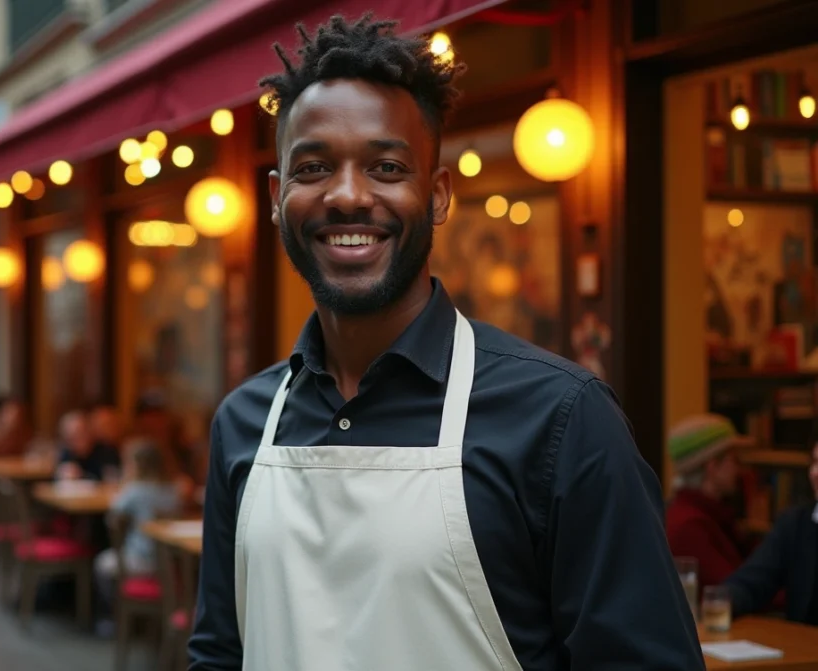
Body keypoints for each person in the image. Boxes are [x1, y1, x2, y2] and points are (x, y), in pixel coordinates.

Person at [188, 14, 703, 670]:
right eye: (313, 167)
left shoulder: (563, 419)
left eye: (386, 167)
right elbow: (219, 655)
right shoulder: (243, 423)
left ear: (436, 196)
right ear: (276, 195)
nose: (347, 195)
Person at [724, 443, 818, 625]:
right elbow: (750, 583)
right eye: (814, 462)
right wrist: (720, 601)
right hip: (800, 642)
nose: (814, 472)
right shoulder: (795, 524)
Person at [95, 439, 182, 628]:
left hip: (139, 559)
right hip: (168, 563)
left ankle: (113, 617)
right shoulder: (173, 490)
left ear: (136, 466)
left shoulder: (134, 490)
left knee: (101, 564)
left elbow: (112, 516)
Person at [664, 413, 755, 589]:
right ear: (712, 466)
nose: (739, 468)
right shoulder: (690, 526)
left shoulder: (710, 514)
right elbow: (732, 591)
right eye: (735, 459)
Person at [56, 410, 120, 482]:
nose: (77, 438)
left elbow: (114, 479)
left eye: (80, 432)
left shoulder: (106, 452)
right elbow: (57, 479)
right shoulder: (66, 454)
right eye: (71, 437)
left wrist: (82, 475)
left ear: (89, 430)